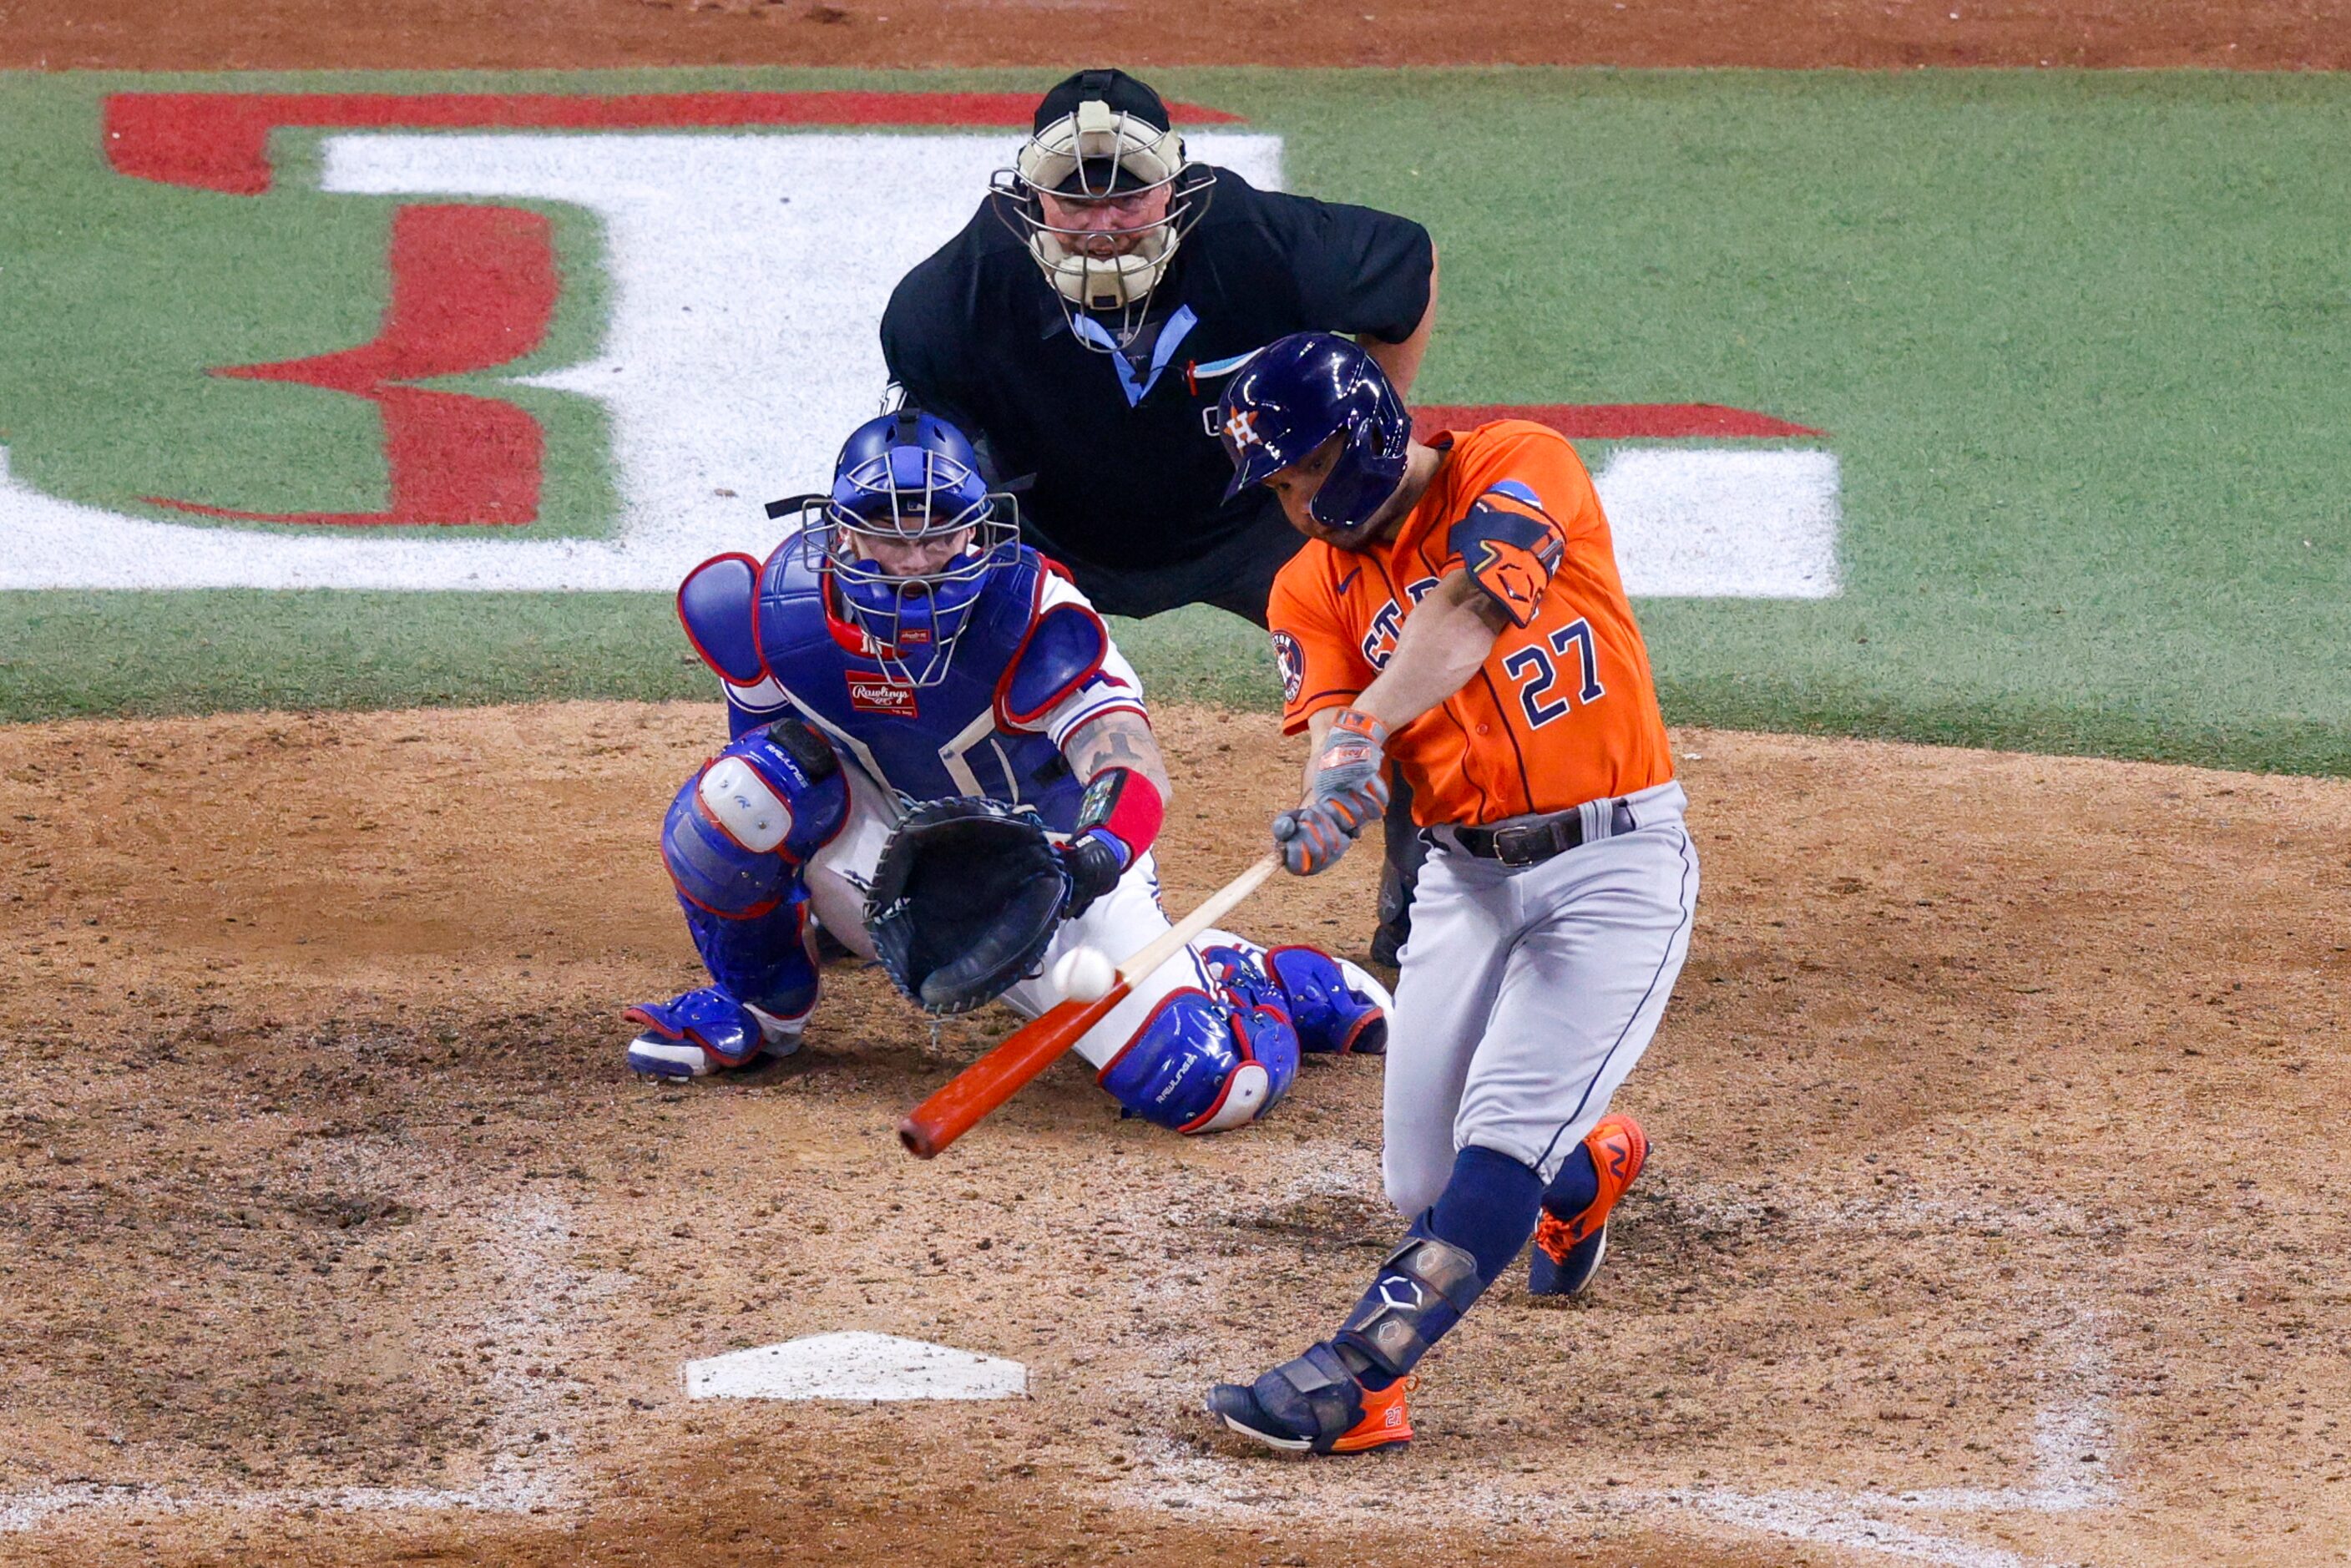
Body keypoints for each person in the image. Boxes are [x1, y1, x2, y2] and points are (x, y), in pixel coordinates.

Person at [623, 410, 1391, 1140]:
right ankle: (757, 1008)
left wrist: (1096, 853)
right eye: (893, 533)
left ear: (980, 530)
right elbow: (772, 755)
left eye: (942, 534)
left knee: (1211, 1089)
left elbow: (1127, 761)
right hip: (891, 856)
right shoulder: (758, 610)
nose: (918, 560)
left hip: (1050, 873)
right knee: (738, 796)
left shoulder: (1037, 618)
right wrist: (825, 900)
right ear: (843, 533)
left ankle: (1255, 975)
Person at [1200, 335, 1699, 1453]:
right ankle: (1586, 1165)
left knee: (1498, 1140)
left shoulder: (1521, 464)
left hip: (1614, 864)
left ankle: (1361, 1377)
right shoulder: (1306, 587)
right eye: (1279, 486)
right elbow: (1337, 721)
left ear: (1369, 430)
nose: (1299, 502)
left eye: (1304, 468)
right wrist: (1333, 786)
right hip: (1465, 882)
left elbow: (1472, 610)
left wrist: (1367, 725)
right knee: (1422, 1179)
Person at [882, 66, 1440, 963]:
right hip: (1052, 532)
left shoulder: (1255, 237)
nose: (1103, 225)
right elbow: (929, 468)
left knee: (1406, 650)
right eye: (1073, 198)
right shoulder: (949, 301)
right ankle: (906, 885)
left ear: (1172, 186)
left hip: (1250, 519)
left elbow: (1405, 271)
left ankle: (1429, 900)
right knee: (917, 658)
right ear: (1029, 196)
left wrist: (1361, 457)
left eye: (1128, 195)